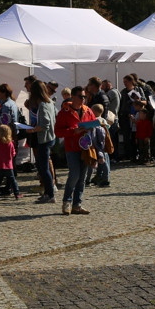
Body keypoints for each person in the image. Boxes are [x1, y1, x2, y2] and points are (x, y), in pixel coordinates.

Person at [54, 87, 96, 216]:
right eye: (80, 96)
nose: (83, 99)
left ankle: (77, 204)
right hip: (72, 148)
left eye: (84, 97)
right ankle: (67, 201)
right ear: (72, 97)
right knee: (74, 175)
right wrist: (73, 131)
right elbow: (58, 132)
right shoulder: (65, 112)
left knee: (82, 177)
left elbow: (94, 124)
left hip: (85, 147)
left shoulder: (88, 110)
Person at [26, 81, 58, 203]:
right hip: (49, 137)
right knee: (43, 167)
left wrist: (32, 130)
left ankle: (50, 194)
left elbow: (45, 124)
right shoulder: (49, 103)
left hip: (44, 139)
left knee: (43, 168)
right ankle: (48, 192)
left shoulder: (43, 105)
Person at [0, 125, 20, 200]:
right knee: (13, 181)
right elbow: (13, 154)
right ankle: (17, 194)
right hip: (8, 166)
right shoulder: (10, 144)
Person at [89, 104, 112, 188]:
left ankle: (105, 179)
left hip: (99, 145)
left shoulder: (96, 121)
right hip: (104, 144)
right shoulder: (104, 120)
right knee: (104, 161)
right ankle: (100, 177)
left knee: (103, 162)